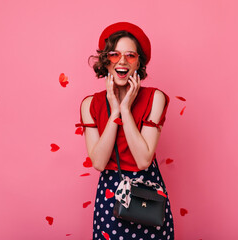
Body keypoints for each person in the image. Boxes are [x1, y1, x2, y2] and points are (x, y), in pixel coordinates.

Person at [77, 22, 174, 240]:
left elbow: (142, 160)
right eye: (114, 54)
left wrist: (126, 109)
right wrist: (114, 113)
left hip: (147, 196)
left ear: (139, 62)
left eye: (130, 55)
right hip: (110, 197)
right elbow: (99, 163)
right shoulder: (90, 104)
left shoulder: (155, 98)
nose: (122, 61)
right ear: (106, 62)